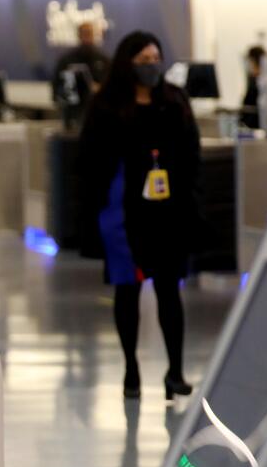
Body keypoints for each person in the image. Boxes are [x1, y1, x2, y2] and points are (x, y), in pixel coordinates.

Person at [79, 30, 201, 401]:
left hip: (168, 211)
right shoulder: (107, 105)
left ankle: (175, 372)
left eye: (155, 59)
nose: (151, 67)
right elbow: (89, 159)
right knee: (128, 290)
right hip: (124, 212)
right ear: (127, 64)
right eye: (143, 61)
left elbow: (191, 151)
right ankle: (131, 368)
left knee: (169, 289)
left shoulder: (174, 101)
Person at [52, 22, 111, 105]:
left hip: (97, 106)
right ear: (79, 35)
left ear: (94, 35)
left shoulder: (104, 60)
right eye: (84, 33)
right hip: (72, 107)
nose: (87, 37)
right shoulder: (66, 60)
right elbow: (56, 85)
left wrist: (100, 88)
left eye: (89, 33)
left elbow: (112, 84)